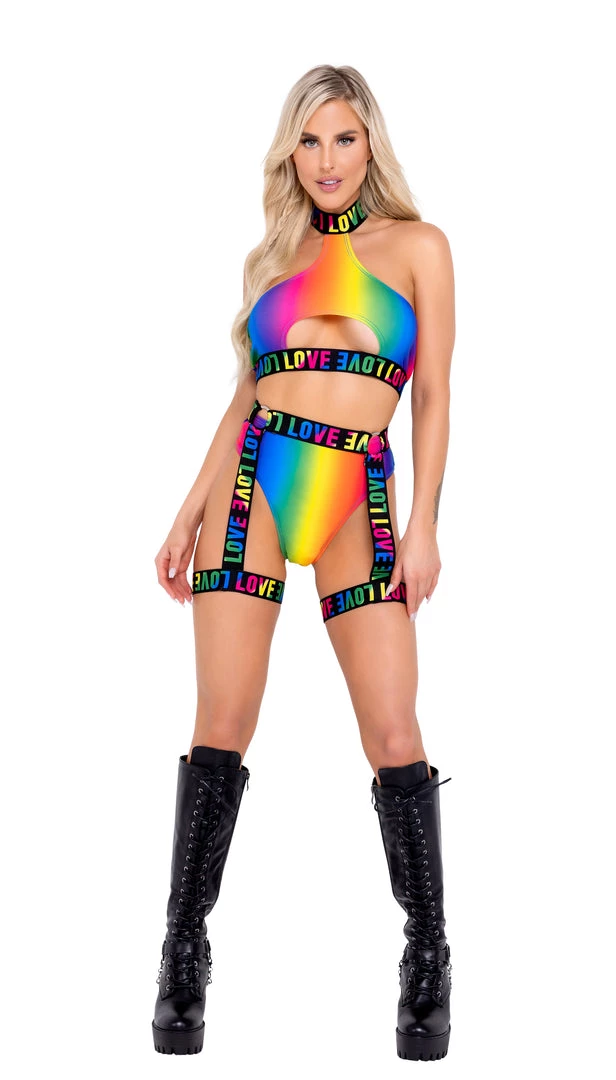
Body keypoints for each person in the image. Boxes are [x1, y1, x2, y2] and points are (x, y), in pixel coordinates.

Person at [152, 64, 455, 1061]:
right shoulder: (276, 257)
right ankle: (182, 954)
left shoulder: (417, 246)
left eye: (344, 139)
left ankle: (426, 956)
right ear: (292, 151)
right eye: (310, 141)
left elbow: (432, 397)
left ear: (371, 144)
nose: (326, 160)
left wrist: (424, 525)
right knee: (222, 722)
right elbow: (248, 394)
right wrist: (188, 510)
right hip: (254, 489)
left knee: (393, 727)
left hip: (359, 493)